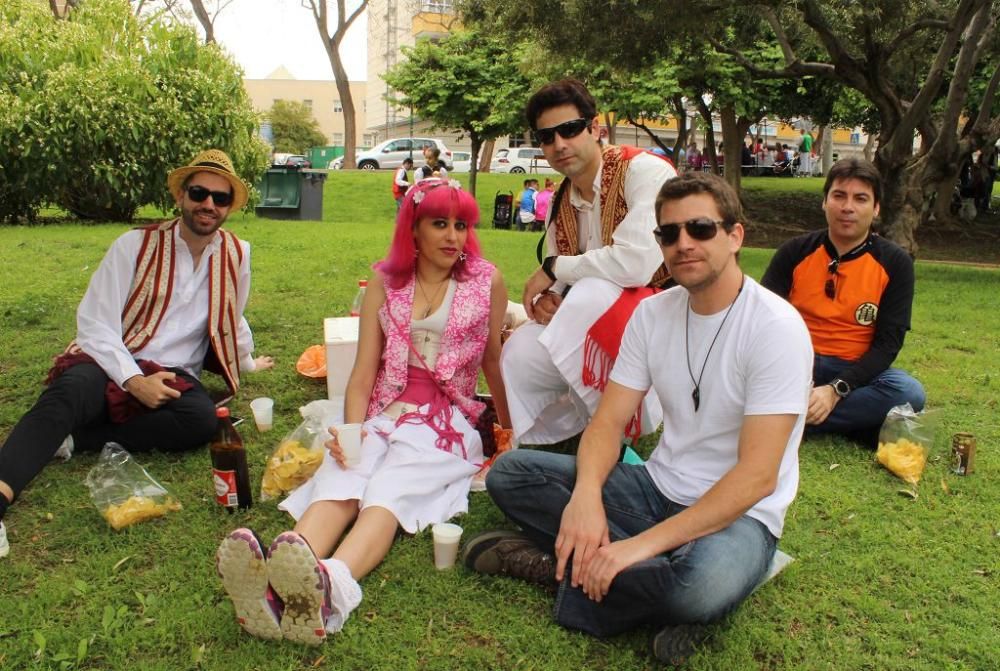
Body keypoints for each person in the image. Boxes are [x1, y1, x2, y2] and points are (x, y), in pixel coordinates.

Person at [465, 172, 813, 665]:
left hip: (738, 516)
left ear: (735, 236)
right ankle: (644, 579)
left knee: (697, 589)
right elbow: (607, 423)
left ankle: (561, 568)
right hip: (656, 488)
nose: (683, 244)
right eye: (668, 234)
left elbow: (757, 478)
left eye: (700, 229)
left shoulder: (775, 328)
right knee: (511, 475)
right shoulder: (653, 315)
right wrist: (586, 498)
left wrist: (635, 547)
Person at [215, 178, 512, 645]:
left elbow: (493, 359)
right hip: (384, 411)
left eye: (461, 225)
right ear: (412, 228)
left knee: (388, 489)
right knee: (344, 475)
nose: (454, 236)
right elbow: (362, 373)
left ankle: (331, 586)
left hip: (446, 423)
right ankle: (278, 583)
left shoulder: (485, 280)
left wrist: (508, 429)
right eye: (440, 224)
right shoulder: (385, 282)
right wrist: (351, 432)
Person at [0, 149, 274, 559]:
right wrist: (133, 380)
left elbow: (232, 313)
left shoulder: (239, 253)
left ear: (230, 207)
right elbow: (94, 322)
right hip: (113, 358)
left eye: (220, 199)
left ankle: (75, 439)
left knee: (201, 420)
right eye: (200, 193)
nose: (208, 205)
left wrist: (247, 359)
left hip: (174, 373)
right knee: (70, 391)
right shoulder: (134, 244)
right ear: (181, 196)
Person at [500, 79, 677, 450]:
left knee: (593, 292)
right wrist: (551, 297)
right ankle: (552, 437)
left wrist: (553, 269)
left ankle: (613, 429)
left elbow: (636, 264)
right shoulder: (560, 203)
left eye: (570, 129)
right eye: (547, 137)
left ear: (595, 128)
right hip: (592, 321)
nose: (559, 144)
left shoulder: (645, 171)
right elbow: (563, 285)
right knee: (518, 351)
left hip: (665, 320)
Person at [761, 158, 925, 447]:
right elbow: (761, 322)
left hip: (853, 371)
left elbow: (888, 344)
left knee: (908, 392)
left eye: (860, 199)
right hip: (796, 364)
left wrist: (836, 390)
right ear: (825, 202)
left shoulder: (895, 263)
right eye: (839, 196)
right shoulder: (794, 252)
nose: (847, 207)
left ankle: (790, 420)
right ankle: (853, 424)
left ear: (875, 209)